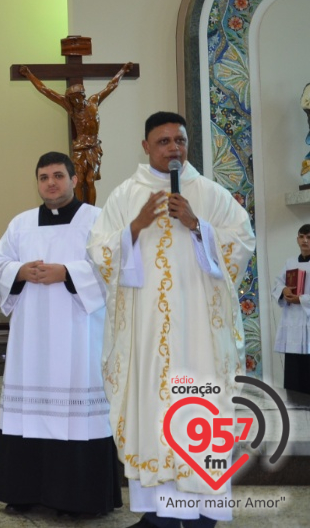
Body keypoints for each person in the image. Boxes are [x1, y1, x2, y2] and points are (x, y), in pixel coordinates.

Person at [87, 112, 255, 528]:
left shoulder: (209, 193)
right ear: (146, 147)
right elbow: (99, 253)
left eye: (179, 140)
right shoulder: (126, 195)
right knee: (152, 412)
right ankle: (158, 512)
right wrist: (136, 227)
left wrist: (198, 226)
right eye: (163, 141)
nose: (173, 148)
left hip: (200, 333)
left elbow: (242, 243)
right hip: (146, 337)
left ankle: (203, 513)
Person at [0, 152, 121, 517]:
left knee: (75, 410)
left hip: (78, 334)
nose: (51, 183)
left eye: (58, 175)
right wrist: (19, 270)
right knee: (27, 413)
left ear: (75, 179)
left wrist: (68, 272)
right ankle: (24, 491)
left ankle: (78, 498)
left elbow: (113, 266)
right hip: (31, 339)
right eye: (44, 177)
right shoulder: (21, 223)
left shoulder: (98, 220)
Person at [20, 62, 133, 205]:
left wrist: (123, 70)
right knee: (78, 181)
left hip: (93, 147)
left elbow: (111, 86)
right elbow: (46, 91)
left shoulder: (93, 102)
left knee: (90, 180)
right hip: (80, 148)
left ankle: (91, 209)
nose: (76, 101)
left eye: (78, 98)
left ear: (83, 95)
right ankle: (79, 208)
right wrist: (29, 75)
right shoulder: (71, 108)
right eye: (73, 99)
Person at [272, 224, 310, 394]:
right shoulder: (290, 263)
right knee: (293, 375)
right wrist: (284, 290)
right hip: (292, 325)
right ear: (297, 239)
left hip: (307, 322)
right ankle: (294, 414)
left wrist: (301, 299)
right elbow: (278, 282)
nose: (305, 241)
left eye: (309, 237)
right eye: (302, 237)